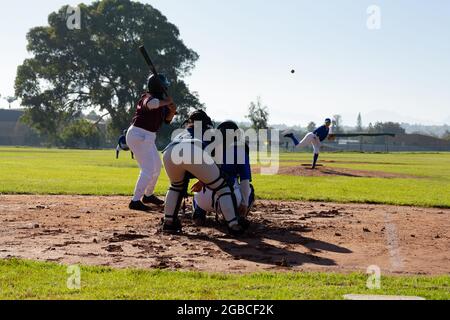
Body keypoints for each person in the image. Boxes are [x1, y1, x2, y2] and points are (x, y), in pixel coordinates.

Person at [162, 111, 250, 236]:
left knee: (176, 186)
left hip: (169, 151)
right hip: (194, 149)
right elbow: (216, 161)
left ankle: (168, 222)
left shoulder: (181, 133)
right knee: (222, 187)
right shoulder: (209, 134)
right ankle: (233, 225)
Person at [126, 74, 177, 212]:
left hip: (147, 136)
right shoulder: (148, 98)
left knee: (156, 167)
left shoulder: (161, 101)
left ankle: (148, 195)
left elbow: (167, 120)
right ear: (161, 87)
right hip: (138, 135)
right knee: (148, 169)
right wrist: (167, 102)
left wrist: (171, 111)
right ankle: (135, 201)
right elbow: (150, 104)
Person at [191, 121, 255, 226]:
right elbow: (245, 181)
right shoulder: (240, 151)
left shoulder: (209, 148)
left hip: (203, 199)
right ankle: (236, 216)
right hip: (229, 199)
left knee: (198, 188)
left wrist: (201, 181)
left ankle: (199, 213)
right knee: (250, 189)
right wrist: (244, 203)